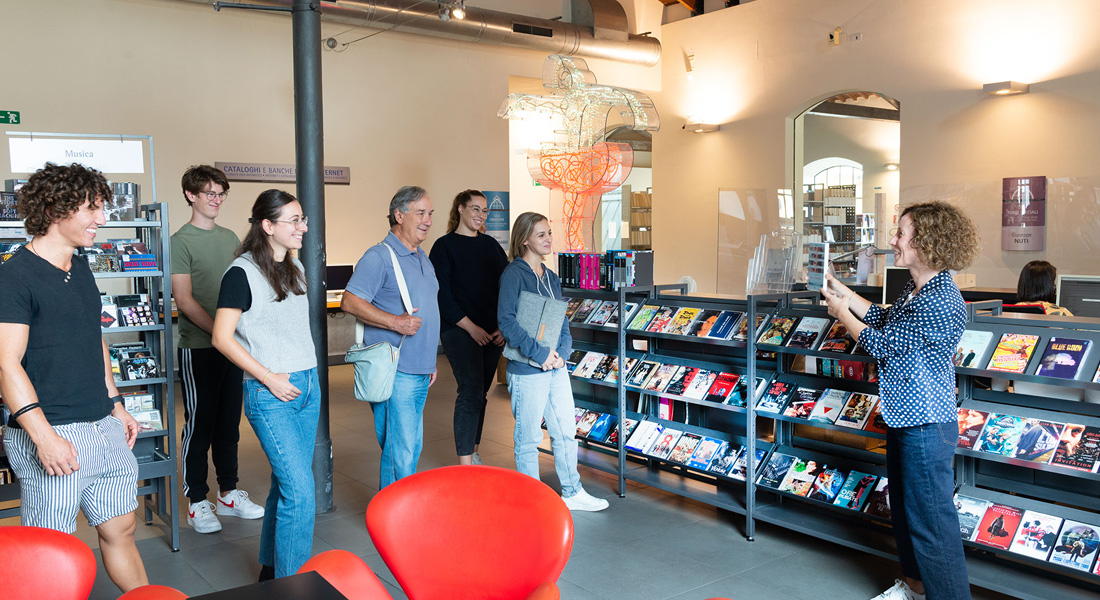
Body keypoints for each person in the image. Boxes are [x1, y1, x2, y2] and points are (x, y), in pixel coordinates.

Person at [0, 163, 148, 592]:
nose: (101, 219)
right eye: (91, 209)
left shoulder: (80, 267)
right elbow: (6, 365)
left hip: (101, 424)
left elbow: (93, 335)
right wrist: (43, 437)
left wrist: (115, 404)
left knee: (121, 529)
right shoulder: (14, 277)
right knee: (50, 547)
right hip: (53, 430)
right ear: (54, 209)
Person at [822, 201, 980, 600]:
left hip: (927, 424)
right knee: (909, 515)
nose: (893, 241)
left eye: (901, 234)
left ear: (925, 242)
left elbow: (885, 345)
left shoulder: (942, 299)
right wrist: (846, 295)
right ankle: (914, 589)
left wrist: (842, 314)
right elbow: (883, 318)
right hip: (906, 418)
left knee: (931, 522)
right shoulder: (917, 288)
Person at [211, 190, 319, 579]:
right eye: (294, 220)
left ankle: (271, 572)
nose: (303, 226)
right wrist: (268, 376)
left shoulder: (296, 265)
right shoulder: (241, 273)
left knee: (285, 484)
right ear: (268, 226)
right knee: (302, 492)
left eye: (302, 219)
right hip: (270, 393)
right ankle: (295, 585)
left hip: (307, 386)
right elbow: (221, 338)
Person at [171, 164, 264, 534]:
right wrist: (220, 335)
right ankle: (197, 501)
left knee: (229, 424)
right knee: (200, 424)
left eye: (221, 194)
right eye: (209, 193)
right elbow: (184, 299)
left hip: (233, 348)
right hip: (200, 348)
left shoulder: (230, 238)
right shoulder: (180, 241)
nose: (216, 200)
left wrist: (237, 338)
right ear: (191, 195)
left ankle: (229, 493)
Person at [498, 211, 608, 512]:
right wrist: (541, 354)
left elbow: (562, 321)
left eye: (549, 233)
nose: (549, 239)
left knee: (565, 432)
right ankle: (530, 501)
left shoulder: (552, 277)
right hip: (527, 369)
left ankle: (572, 492)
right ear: (525, 241)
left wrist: (561, 354)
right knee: (528, 437)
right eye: (542, 235)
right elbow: (507, 323)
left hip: (555, 368)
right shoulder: (513, 275)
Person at [342, 186, 440, 488]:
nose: (427, 220)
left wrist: (430, 361)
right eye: (420, 213)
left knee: (406, 446)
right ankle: (398, 518)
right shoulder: (379, 257)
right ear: (399, 215)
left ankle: (394, 511)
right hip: (398, 370)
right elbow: (350, 301)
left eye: (430, 214)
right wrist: (395, 322)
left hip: (420, 368)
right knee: (403, 449)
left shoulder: (421, 255)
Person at [429, 189, 508, 465]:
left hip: (492, 333)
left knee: (481, 394)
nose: (481, 215)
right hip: (459, 330)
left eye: (485, 210)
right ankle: (464, 463)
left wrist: (502, 327)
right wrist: (471, 328)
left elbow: (505, 288)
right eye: (475, 208)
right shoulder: (444, 246)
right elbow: (442, 295)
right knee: (470, 391)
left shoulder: (491, 246)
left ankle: (473, 450)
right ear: (460, 209)